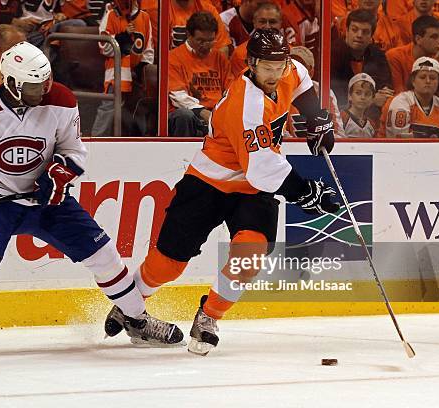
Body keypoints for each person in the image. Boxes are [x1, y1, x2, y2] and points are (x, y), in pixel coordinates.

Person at [0, 42, 182, 360]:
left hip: (48, 200)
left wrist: (60, 174)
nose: (45, 87)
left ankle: (137, 320)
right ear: (13, 84)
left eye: (47, 79)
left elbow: (74, 151)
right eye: (35, 84)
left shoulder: (61, 99)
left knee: (104, 254)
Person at [104, 29, 339, 355]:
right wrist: (305, 191)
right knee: (167, 263)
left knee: (251, 253)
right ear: (252, 64)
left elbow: (301, 81)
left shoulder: (289, 70)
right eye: (267, 67)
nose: (275, 73)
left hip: (252, 190)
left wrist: (315, 119)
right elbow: (262, 168)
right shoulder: (246, 104)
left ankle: (209, 317)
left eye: (279, 65)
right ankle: (130, 307)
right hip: (208, 181)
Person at [90, 0, 154, 137]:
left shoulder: (144, 17)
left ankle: (138, 142)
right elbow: (104, 47)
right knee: (108, 108)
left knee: (138, 110)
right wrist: (122, 36)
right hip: (117, 72)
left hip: (136, 73)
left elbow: (148, 49)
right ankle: (95, 141)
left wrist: (143, 67)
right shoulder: (111, 15)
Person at [168, 11, 230, 137]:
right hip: (190, 113)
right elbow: (178, 97)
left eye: (210, 41)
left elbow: (231, 91)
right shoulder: (173, 58)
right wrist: (203, 112)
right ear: (189, 35)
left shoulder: (220, 58)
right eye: (200, 41)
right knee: (184, 115)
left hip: (217, 113)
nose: (206, 46)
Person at [386, 15, 439, 103]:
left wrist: (437, 62)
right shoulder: (395, 56)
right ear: (418, 39)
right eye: (434, 37)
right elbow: (400, 97)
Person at [330, 9, 392, 109]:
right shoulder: (331, 54)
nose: (359, 35)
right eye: (355, 30)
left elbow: (386, 85)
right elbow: (336, 95)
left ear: (371, 36)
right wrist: (371, 100)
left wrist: (384, 93)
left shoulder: (377, 54)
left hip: (371, 115)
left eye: (365, 32)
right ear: (347, 30)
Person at [379, 56, 439, 138]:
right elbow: (400, 144)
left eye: (432, 78)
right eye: (422, 77)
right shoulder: (399, 103)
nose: (428, 81)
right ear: (413, 81)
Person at [229, 1, 299, 78]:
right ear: (254, 22)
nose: (267, 26)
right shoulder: (240, 55)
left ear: (280, 23)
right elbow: (240, 85)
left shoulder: (291, 53)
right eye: (262, 21)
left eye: (272, 22)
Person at [341, 72, 378, 137]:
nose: (363, 97)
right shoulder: (341, 118)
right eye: (358, 93)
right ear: (349, 96)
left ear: (372, 99)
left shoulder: (372, 125)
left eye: (367, 94)